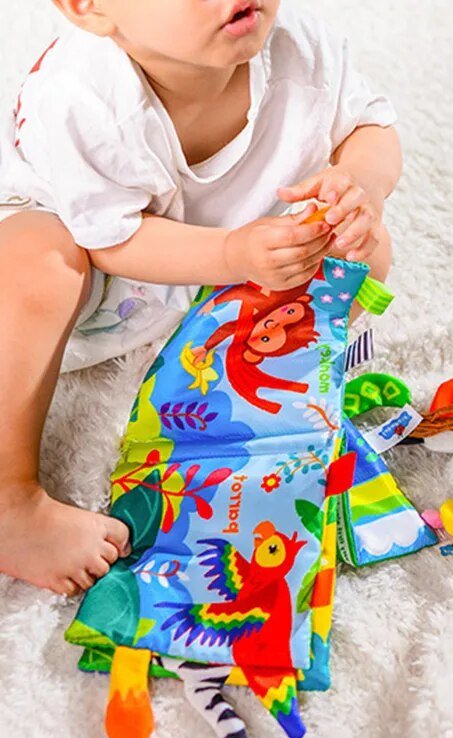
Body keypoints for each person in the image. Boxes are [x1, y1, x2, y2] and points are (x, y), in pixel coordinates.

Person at [0, 0, 401, 595]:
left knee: (366, 250)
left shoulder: (297, 46)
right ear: (89, 8)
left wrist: (359, 185)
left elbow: (369, 126)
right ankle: (10, 502)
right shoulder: (80, 97)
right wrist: (231, 253)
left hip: (221, 264)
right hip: (89, 268)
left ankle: (256, 379)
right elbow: (112, 239)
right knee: (34, 260)